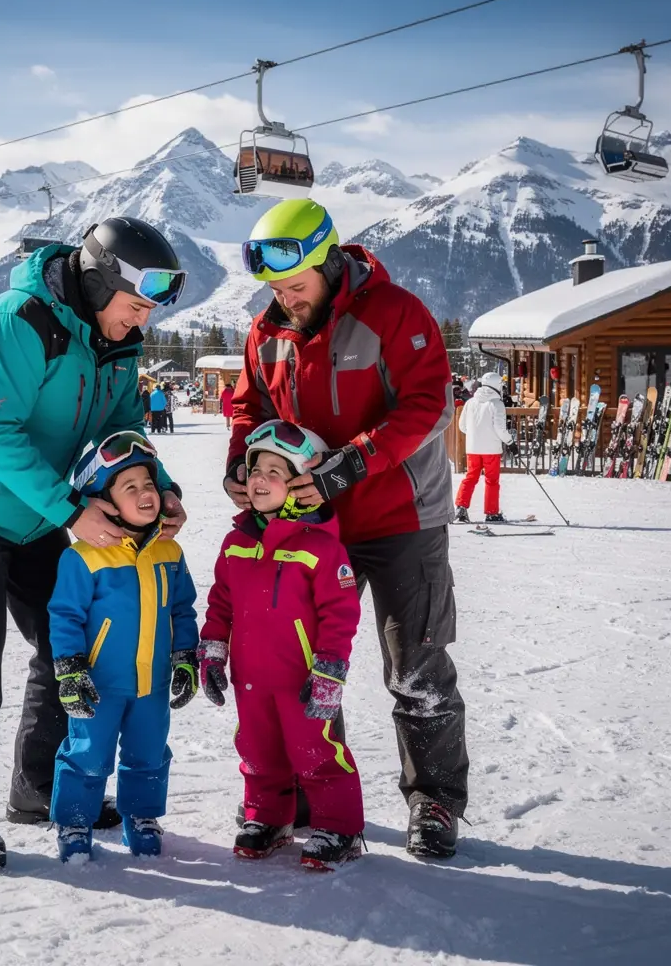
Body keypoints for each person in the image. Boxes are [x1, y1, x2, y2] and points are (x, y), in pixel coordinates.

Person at [0, 216, 189, 872]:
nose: (142, 321)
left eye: (151, 311)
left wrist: (160, 487)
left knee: (70, 645)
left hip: (37, 513)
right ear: (100, 282)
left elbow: (123, 425)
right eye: (136, 304)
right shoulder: (20, 320)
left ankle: (38, 788)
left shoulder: (117, 339)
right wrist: (72, 511)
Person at [223, 198, 467, 860]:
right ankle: (309, 790)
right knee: (298, 663)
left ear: (329, 262)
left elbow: (430, 403)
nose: (285, 298)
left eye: (295, 284)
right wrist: (241, 465)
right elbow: (248, 408)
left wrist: (351, 463)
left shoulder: (394, 314)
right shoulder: (266, 333)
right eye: (274, 287)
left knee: (415, 664)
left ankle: (434, 799)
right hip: (308, 527)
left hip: (400, 517)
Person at [200, 421, 365, 871]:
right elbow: (220, 603)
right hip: (251, 677)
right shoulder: (236, 543)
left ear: (301, 485)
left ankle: (340, 827)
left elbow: (340, 614)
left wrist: (329, 670)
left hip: (301, 678)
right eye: (256, 469)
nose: (259, 478)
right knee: (258, 750)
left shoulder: (321, 548)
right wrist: (213, 650)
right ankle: (268, 819)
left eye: (275, 471)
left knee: (316, 750)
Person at [48, 432, 198, 861]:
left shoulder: (170, 551)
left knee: (148, 753)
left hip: (153, 682)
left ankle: (142, 816)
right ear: (104, 502)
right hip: (99, 684)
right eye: (129, 487)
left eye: (148, 483)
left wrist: (185, 656)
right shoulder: (85, 556)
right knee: (87, 754)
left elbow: (182, 609)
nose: (145, 493)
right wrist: (70, 669)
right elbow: (65, 615)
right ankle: (75, 820)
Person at [454, 371, 516, 525]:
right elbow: (500, 429)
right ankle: (491, 512)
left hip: (473, 448)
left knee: (471, 477)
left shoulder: (470, 402)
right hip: (491, 449)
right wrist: (510, 442)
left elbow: (462, 426)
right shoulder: (497, 404)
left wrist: (476, 435)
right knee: (492, 480)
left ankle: (461, 507)